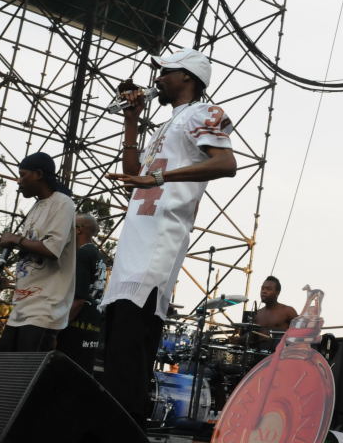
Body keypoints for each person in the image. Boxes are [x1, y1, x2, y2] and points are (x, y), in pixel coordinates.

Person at [101, 48, 236, 425]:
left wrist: (160, 177)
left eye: (165, 72)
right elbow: (133, 174)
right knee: (116, 353)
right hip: (134, 245)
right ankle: (112, 424)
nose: (157, 79)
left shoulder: (201, 113)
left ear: (187, 77)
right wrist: (131, 121)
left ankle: (122, 427)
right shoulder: (166, 125)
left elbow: (226, 163)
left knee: (131, 351)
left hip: (157, 246)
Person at [0, 151, 77, 352]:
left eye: (23, 175)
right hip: (23, 304)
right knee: (2, 363)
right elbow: (31, 246)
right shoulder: (37, 206)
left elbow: (51, 249)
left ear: (39, 174)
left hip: (44, 306)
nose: (19, 181)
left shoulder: (63, 203)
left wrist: (16, 239)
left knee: (24, 366)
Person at [56, 214, 107, 373]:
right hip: (92, 325)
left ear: (78, 230)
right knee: (82, 373)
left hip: (75, 325)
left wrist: (57, 329)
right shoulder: (97, 255)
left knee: (63, 372)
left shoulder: (82, 254)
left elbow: (78, 298)